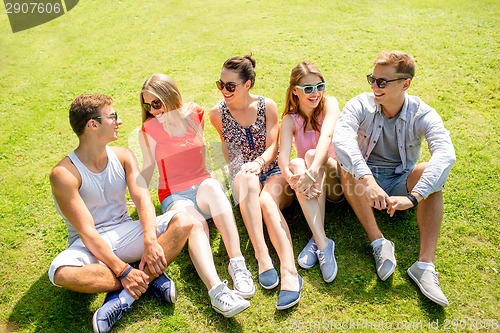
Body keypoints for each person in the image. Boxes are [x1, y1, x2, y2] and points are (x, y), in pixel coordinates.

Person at [48, 94, 250, 333]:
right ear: (92, 124)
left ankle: (127, 294)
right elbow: (88, 232)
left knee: (185, 221)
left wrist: (149, 239)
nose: (119, 121)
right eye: (112, 116)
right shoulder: (64, 173)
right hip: (88, 244)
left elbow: (143, 199)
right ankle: (145, 281)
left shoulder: (123, 156)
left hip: (125, 231)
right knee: (61, 273)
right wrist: (124, 271)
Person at [332, 51, 456, 306]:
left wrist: (414, 197)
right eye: (373, 79)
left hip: (402, 181)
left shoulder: (422, 113)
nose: (374, 87)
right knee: (346, 163)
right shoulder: (360, 104)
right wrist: (368, 181)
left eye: (382, 82)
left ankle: (424, 265)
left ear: (405, 84)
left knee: (429, 172)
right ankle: (378, 241)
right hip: (363, 180)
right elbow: (342, 139)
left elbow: (445, 153)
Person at [138, 74, 254, 299]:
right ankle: (217, 290)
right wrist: (138, 193)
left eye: (156, 103)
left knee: (211, 186)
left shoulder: (195, 114)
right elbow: (148, 167)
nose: (152, 110)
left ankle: (237, 264)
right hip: (175, 196)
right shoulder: (148, 130)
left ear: (170, 97)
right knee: (197, 224)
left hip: (202, 188)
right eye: (147, 105)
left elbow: (201, 151)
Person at [209, 55, 301, 310]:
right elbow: (229, 154)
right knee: (246, 179)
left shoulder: (266, 106)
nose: (224, 90)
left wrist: (259, 163)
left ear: (247, 84)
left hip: (272, 171)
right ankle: (262, 258)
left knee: (264, 199)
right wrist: (239, 175)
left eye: (230, 86)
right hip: (244, 177)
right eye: (221, 84)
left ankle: (289, 269)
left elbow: (274, 146)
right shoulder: (217, 114)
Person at [279, 61, 343, 283]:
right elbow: (283, 159)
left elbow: (326, 138)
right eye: (308, 89)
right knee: (297, 163)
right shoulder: (289, 119)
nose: (315, 93)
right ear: (295, 91)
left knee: (309, 156)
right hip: (310, 186)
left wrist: (313, 170)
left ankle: (317, 240)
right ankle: (323, 243)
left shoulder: (330, 105)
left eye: (320, 86)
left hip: (336, 180)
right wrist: (292, 178)